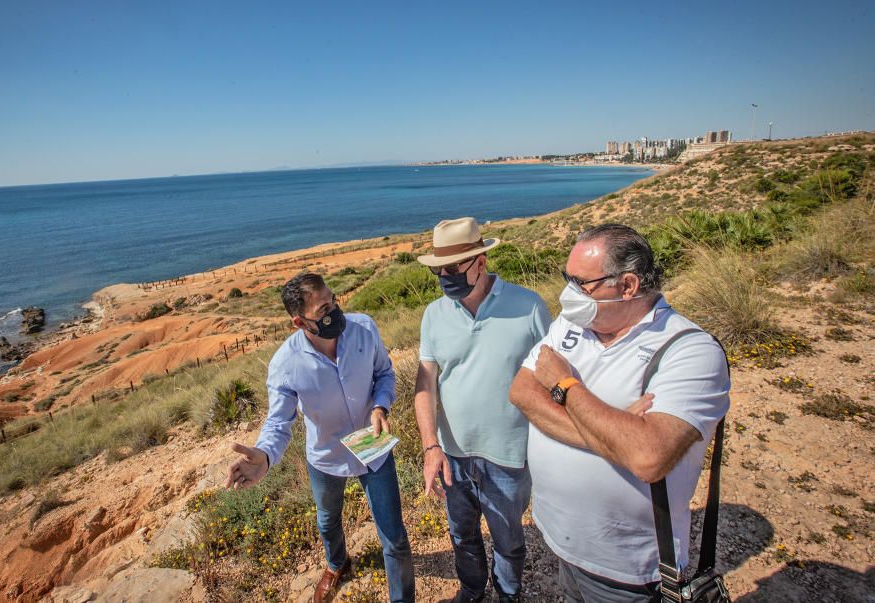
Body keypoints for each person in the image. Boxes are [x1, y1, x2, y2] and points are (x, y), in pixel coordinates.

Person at [509, 224, 731, 602]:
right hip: (561, 541)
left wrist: (564, 385)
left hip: (626, 570)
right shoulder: (571, 324)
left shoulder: (689, 351)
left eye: (581, 283)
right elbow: (522, 392)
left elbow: (646, 457)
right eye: (568, 278)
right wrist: (613, 433)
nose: (569, 293)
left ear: (627, 285)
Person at [225, 273, 415, 603]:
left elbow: (385, 373)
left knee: (394, 536)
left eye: (334, 299)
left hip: (373, 446)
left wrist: (381, 406)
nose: (335, 310)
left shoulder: (364, 328)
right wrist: (265, 456)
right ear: (300, 322)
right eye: (324, 307)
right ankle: (336, 564)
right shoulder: (285, 364)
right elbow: (279, 423)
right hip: (325, 457)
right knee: (328, 522)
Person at [414, 217, 552, 603]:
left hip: (509, 456)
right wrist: (430, 447)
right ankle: (472, 591)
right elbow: (425, 385)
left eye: (453, 268)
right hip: (452, 456)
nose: (445, 276)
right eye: (438, 270)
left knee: (508, 539)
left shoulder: (528, 307)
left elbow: (555, 374)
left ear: (481, 262)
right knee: (462, 535)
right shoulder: (433, 314)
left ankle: (508, 595)